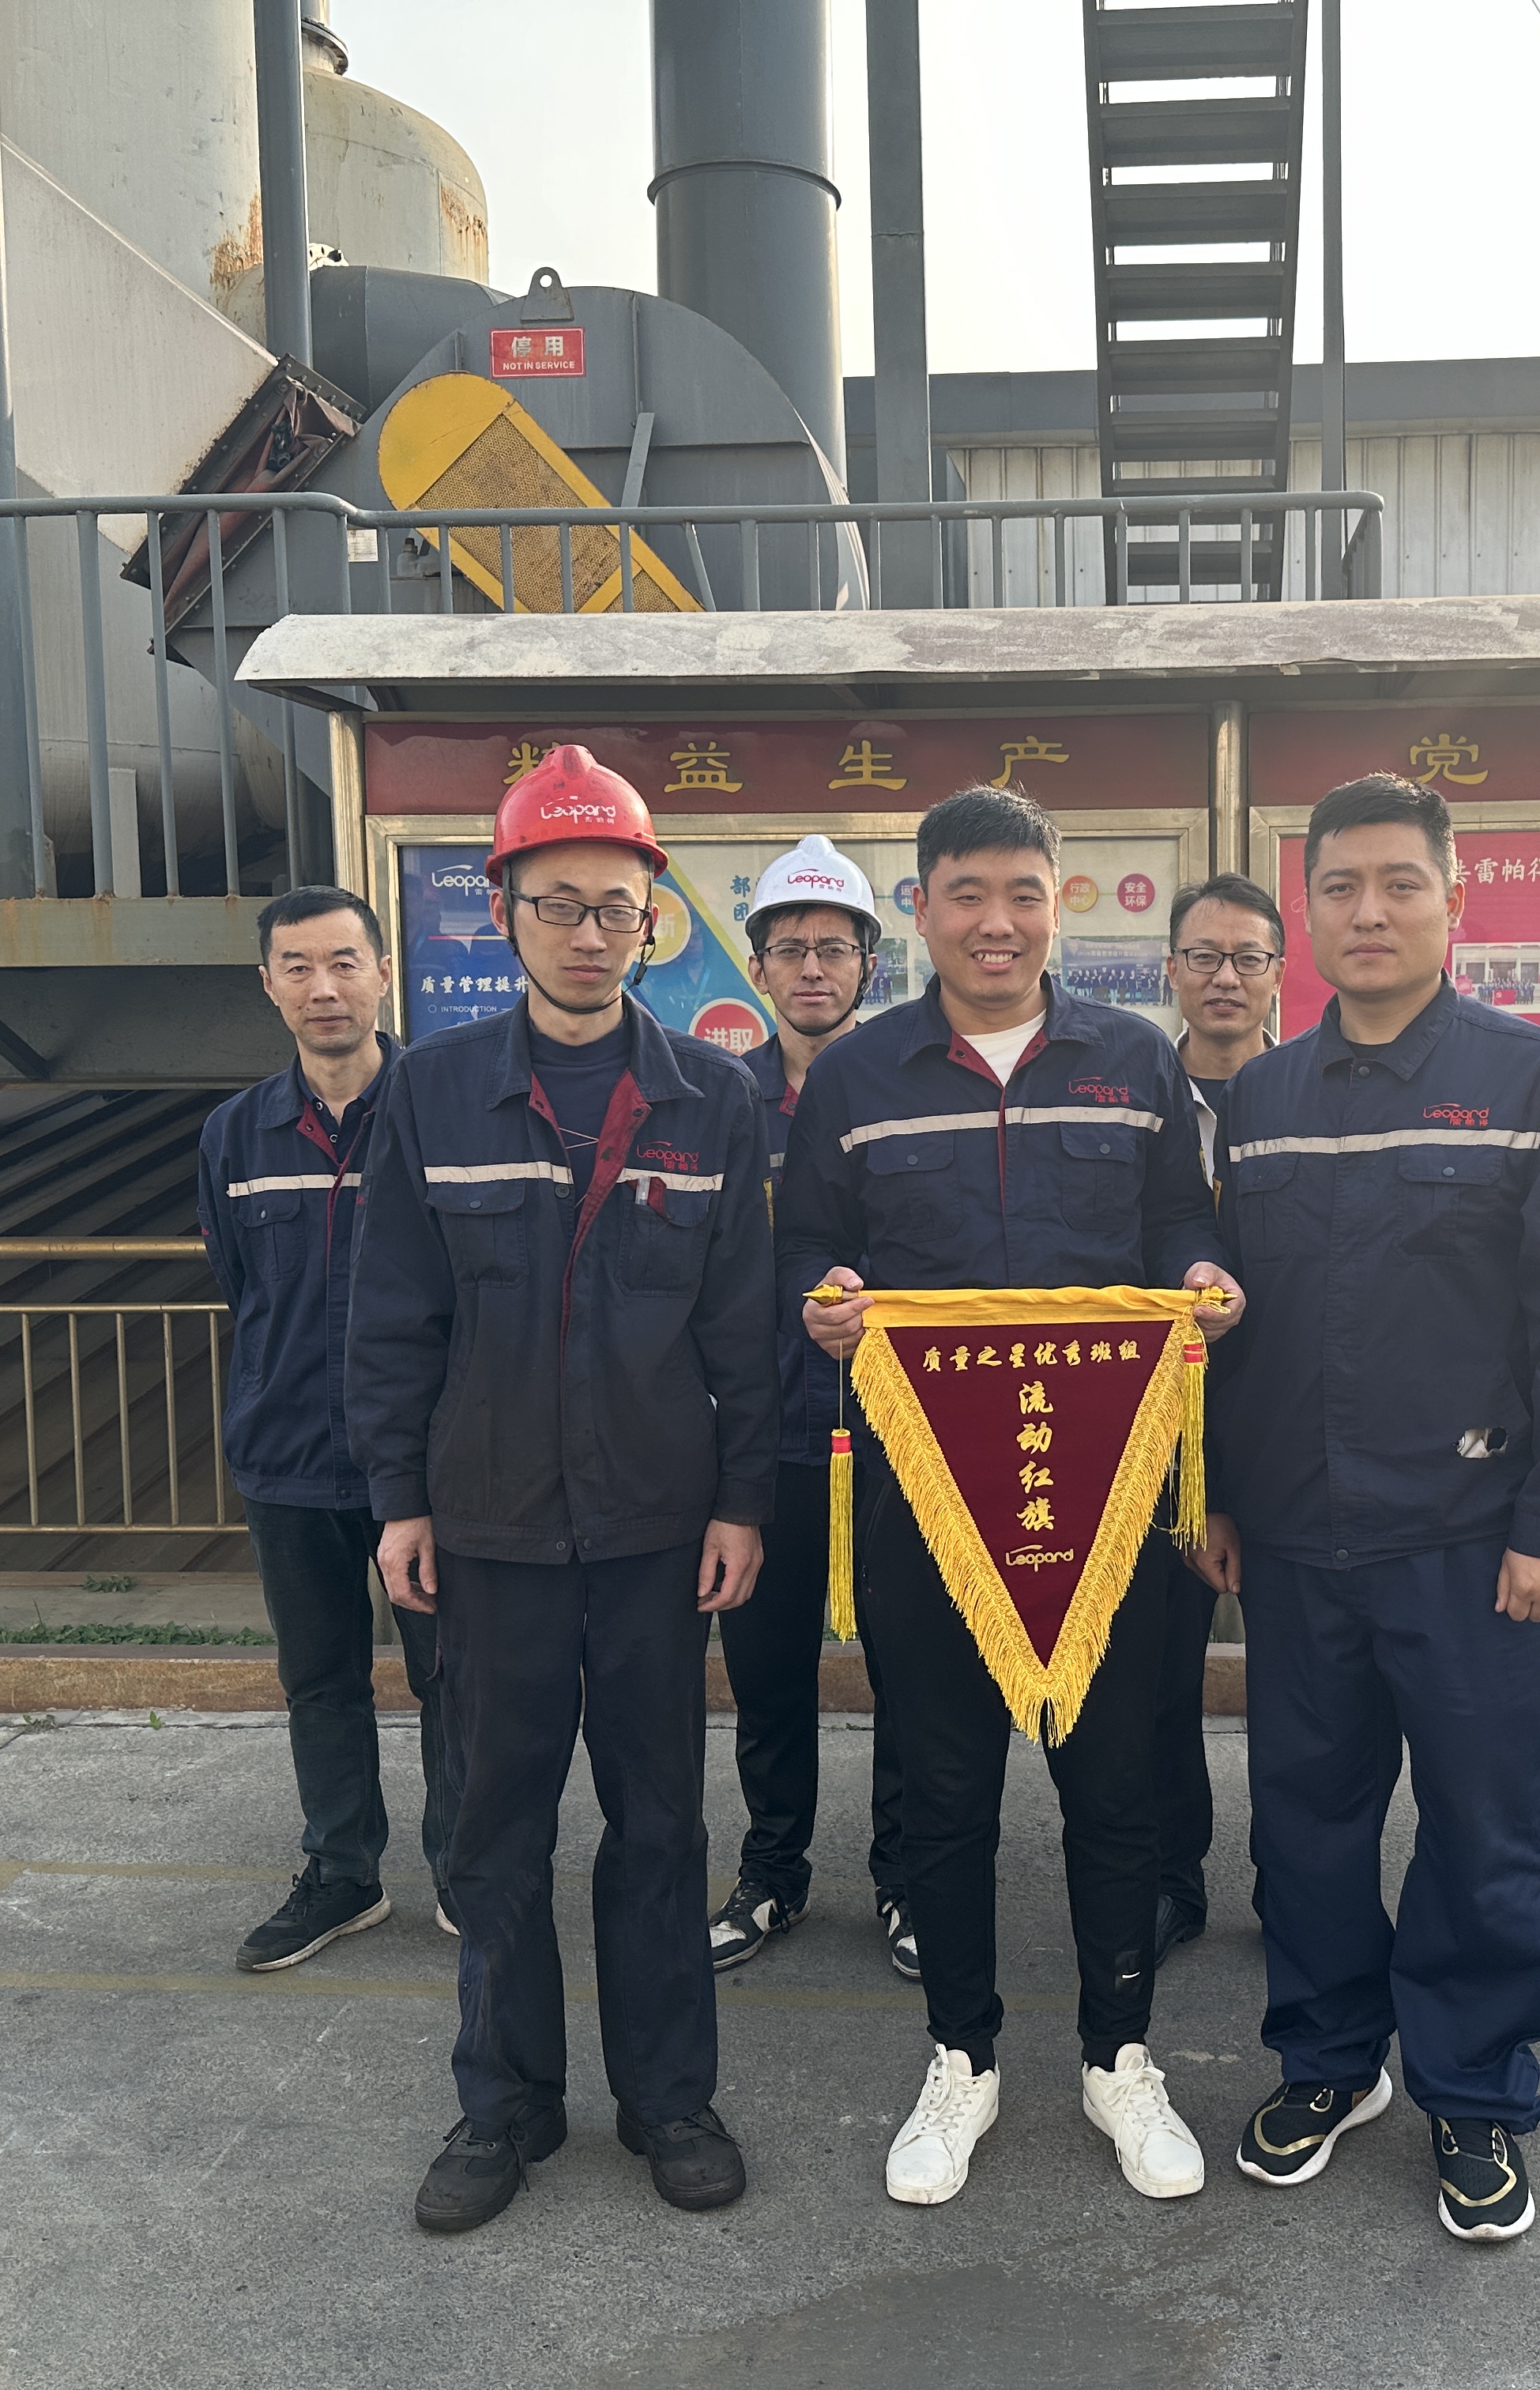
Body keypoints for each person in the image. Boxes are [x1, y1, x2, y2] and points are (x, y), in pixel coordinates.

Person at [778, 783, 1244, 2209]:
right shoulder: (857, 1077)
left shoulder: (1134, 1058)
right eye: (967, 894)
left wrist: (1202, 1277)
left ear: (1058, 905)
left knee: (1115, 1789)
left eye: (1024, 895)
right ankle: (962, 2058)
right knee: (945, 1791)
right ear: (920, 910)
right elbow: (807, 1247)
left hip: (1106, 1500)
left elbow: (1177, 1220)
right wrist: (826, 1301)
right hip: (926, 1501)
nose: (997, 922)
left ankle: (1119, 2057)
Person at [1195, 774, 1540, 2245]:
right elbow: (1230, 1330)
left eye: (1400, 884)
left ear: (1455, 902)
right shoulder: (1261, 1100)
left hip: (1470, 1542)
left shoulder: (1535, 1083)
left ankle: (1473, 2088)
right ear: (1308, 911)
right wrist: (1222, 1496)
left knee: (1482, 1828)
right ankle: (1330, 2061)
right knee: (1306, 1824)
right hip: (1299, 1543)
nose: (1369, 912)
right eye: (1340, 887)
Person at [350, 746, 779, 2231]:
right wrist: (399, 1501)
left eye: (616, 908)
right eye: (558, 905)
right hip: (488, 1532)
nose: (589, 934)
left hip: (658, 1531)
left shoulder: (712, 1098)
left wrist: (741, 1505)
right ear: (505, 914)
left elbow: (742, 1329)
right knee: (496, 1829)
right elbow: (392, 1315)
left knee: (661, 1825)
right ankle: (506, 2104)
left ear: (653, 920)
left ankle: (670, 2100)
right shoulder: (433, 1093)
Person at [199, 886, 454, 1975]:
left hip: (431, 1464)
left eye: (345, 962)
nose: (324, 987)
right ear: (268, 986)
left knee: (454, 1677)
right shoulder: (235, 1134)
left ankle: (466, 1869)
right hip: (291, 1454)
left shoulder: (444, 1115)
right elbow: (241, 1284)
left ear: (384, 974)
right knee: (321, 1681)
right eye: (298, 967)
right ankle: (344, 1872)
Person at [710, 835, 915, 1981]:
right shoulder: (718, 1106)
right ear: (759, 968)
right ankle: (773, 1872)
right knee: (768, 1675)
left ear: (869, 965)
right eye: (789, 949)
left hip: (901, 1438)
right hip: (765, 1440)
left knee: (911, 1672)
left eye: (834, 948)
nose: (812, 968)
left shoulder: (905, 1098)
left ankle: (906, 1878)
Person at [1151, 869, 1288, 1965]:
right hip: (1155, 1435)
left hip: (1286, 1429)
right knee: (1160, 1678)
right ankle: (1170, 1876)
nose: (1225, 977)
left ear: (1280, 974)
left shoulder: (1309, 1099)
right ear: (1171, 971)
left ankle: (1294, 1881)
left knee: (1299, 1682)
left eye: (1248, 958)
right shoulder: (1134, 1097)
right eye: (1204, 956)